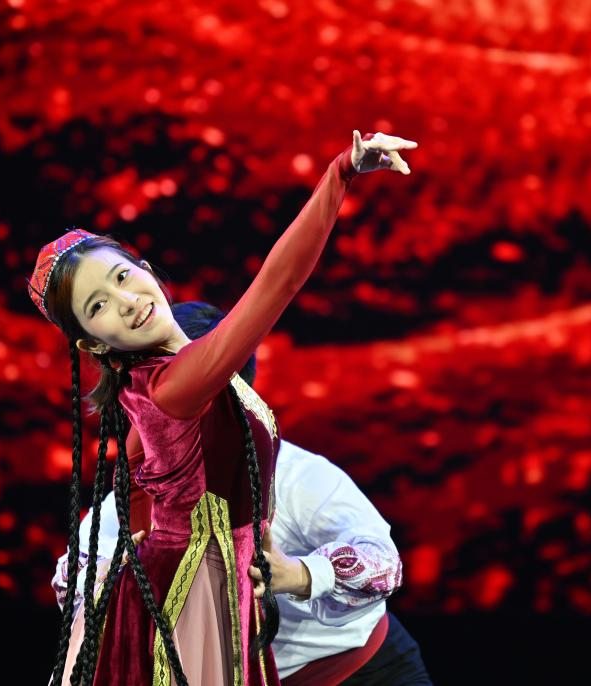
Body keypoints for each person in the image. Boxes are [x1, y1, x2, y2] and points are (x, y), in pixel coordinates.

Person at [28, 130, 417, 686]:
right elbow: (278, 283)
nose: (128, 302)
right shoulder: (176, 386)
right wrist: (341, 173)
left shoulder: (154, 389)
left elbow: (136, 468)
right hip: (197, 588)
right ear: (91, 342)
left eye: (122, 277)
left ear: (146, 269)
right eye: (99, 305)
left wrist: (145, 539)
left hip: (268, 614)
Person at [52, 302, 433, 685]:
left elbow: (386, 564)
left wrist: (299, 574)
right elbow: (71, 581)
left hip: (361, 671)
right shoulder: (136, 492)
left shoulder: (297, 476)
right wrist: (107, 581)